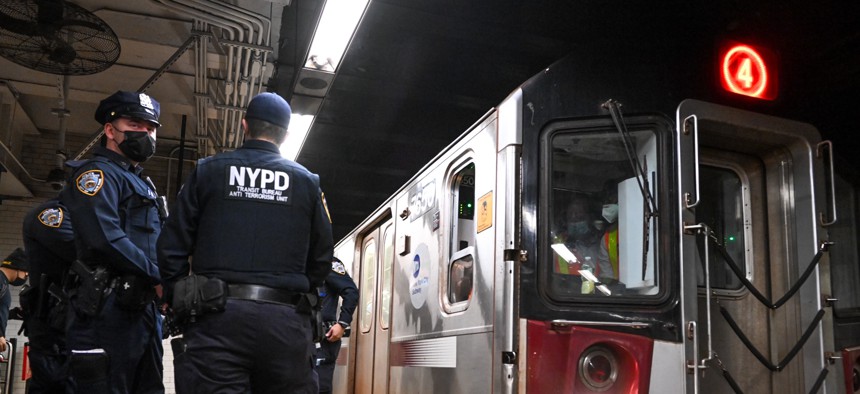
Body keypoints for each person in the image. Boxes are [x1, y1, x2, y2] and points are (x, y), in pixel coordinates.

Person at [158, 92, 334, 393]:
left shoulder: (208, 171)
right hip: (285, 323)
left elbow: (171, 244)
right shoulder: (307, 182)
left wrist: (177, 295)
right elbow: (322, 257)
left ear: (244, 125)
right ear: (286, 135)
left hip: (216, 316)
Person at [60, 90, 165, 394]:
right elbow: (105, 238)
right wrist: (158, 276)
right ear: (110, 130)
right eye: (135, 125)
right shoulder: (96, 175)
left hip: (142, 307)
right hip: (106, 308)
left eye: (150, 128)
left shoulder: (140, 181)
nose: (144, 133)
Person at [21, 198, 76, 394]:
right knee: (53, 382)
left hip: (69, 321)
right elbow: (81, 251)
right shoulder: (51, 213)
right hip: (51, 319)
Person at [315, 257, 358, 394]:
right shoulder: (296, 261)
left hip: (323, 339)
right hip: (298, 336)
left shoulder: (327, 262)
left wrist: (342, 324)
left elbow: (351, 292)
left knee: (320, 386)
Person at [551, 195, 603, 294]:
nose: (574, 219)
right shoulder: (558, 246)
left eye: (580, 216)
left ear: (590, 217)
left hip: (600, 297)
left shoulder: (603, 243)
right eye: (570, 216)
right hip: (566, 296)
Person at [0, 248, 29, 353]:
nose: (26, 275)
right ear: (19, 267)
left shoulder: (3, 282)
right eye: (26, 272)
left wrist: (14, 314)